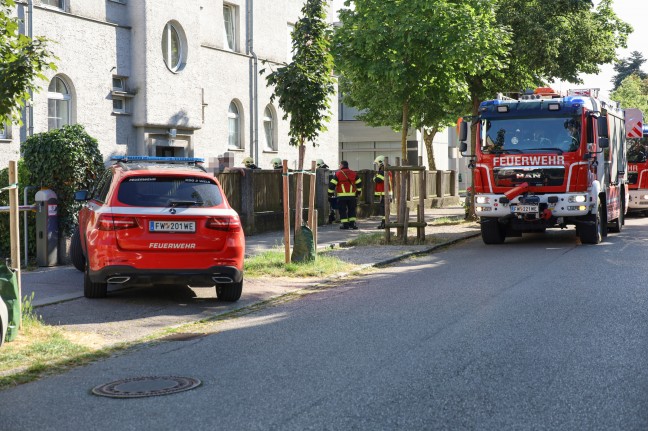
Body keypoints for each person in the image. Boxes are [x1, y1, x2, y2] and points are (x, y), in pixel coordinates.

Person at [328, 160, 362, 230]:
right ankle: (352, 224)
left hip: (342, 196)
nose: (339, 166)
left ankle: (345, 225)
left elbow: (332, 185)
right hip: (352, 196)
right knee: (352, 210)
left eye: (340, 165)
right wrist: (358, 192)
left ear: (342, 165)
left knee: (342, 210)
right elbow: (359, 184)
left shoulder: (338, 174)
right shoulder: (353, 173)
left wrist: (330, 193)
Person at [373, 155, 392, 229]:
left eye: (377, 163)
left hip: (385, 193)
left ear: (381, 163)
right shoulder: (387, 171)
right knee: (385, 209)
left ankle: (385, 224)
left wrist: (375, 177)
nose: (377, 165)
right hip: (386, 193)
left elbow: (377, 180)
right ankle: (385, 222)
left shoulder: (382, 172)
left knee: (384, 209)